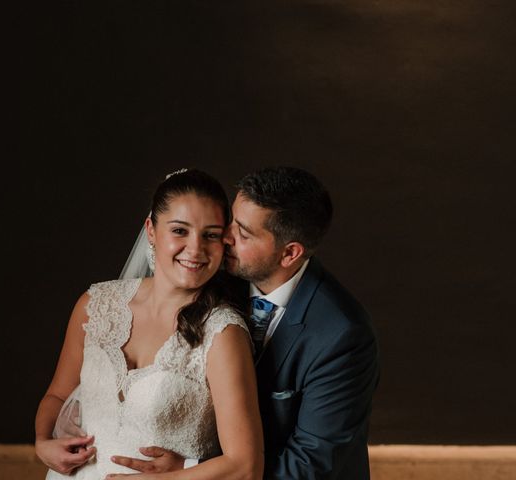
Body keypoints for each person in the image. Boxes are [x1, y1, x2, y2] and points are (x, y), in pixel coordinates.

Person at [111, 166, 379, 479]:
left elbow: (311, 465)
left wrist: (192, 470)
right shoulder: (213, 278)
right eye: (231, 222)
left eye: (243, 232)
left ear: (290, 253)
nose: (224, 237)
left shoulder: (342, 335)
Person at [34, 169, 264, 480]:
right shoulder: (95, 305)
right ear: (151, 231)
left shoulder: (223, 334)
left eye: (210, 235)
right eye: (180, 231)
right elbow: (57, 396)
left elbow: (245, 466)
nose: (195, 249)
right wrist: (43, 442)